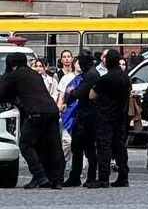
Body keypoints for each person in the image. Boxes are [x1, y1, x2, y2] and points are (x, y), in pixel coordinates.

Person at [0, 53, 64, 189]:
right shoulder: (34, 74)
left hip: (36, 113)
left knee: (25, 144)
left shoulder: (15, 74)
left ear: (11, 64)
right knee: (52, 146)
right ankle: (57, 179)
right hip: (51, 111)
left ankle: (39, 175)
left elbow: (2, 93)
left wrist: (7, 72)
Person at [86, 50, 131, 188]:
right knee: (120, 147)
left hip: (105, 116)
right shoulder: (125, 77)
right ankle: (123, 177)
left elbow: (92, 95)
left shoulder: (105, 78)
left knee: (104, 147)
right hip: (120, 116)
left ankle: (103, 178)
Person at [63, 53, 101, 188]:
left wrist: (71, 91)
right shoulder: (92, 73)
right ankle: (77, 176)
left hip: (88, 116)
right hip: (87, 114)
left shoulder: (90, 75)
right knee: (78, 147)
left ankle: (87, 177)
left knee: (86, 148)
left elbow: (78, 93)